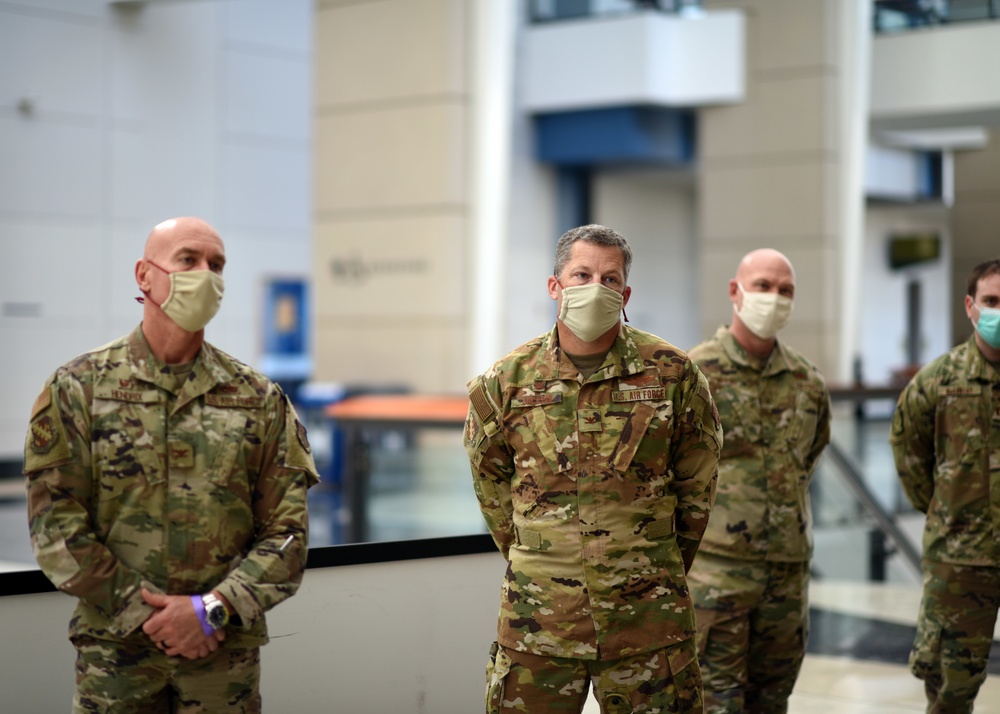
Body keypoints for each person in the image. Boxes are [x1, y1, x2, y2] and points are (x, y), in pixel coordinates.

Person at [24, 217, 319, 713]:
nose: (206, 273)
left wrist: (211, 611)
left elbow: (287, 536)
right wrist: (150, 614)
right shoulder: (79, 388)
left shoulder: (259, 399)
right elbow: (56, 527)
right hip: (116, 659)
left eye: (217, 264)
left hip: (223, 661)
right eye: (189, 259)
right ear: (145, 275)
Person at [464, 224, 722, 713]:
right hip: (539, 624)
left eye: (609, 279)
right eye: (581, 275)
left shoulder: (672, 373)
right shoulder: (506, 382)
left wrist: (651, 565)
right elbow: (490, 483)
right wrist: (542, 555)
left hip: (648, 620)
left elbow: (697, 486)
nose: (595, 288)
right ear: (555, 286)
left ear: (625, 294)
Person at [686, 248, 831, 713]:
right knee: (716, 705)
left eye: (784, 290)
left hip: (786, 577)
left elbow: (807, 458)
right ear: (736, 291)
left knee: (772, 702)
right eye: (764, 286)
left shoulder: (807, 381)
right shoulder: (694, 375)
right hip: (716, 575)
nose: (774, 298)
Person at [891, 258, 1000, 713]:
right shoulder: (939, 380)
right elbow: (908, 451)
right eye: (993, 301)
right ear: (971, 306)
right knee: (951, 690)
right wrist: (945, 512)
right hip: (961, 561)